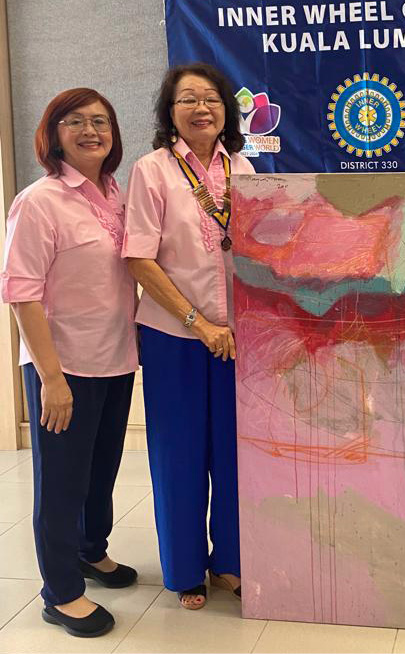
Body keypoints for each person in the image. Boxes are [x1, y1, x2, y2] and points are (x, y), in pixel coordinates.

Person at [1, 88, 139, 637]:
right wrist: (51, 379)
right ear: (53, 134)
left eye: (100, 121)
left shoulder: (117, 194)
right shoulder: (39, 201)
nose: (90, 131)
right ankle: (60, 592)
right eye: (75, 121)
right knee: (60, 480)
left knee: (101, 469)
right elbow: (22, 293)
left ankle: (89, 549)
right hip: (64, 365)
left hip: (115, 357)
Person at [122, 63, 255, 610]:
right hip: (175, 335)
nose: (202, 108)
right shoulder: (152, 170)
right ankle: (183, 570)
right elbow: (138, 257)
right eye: (188, 100)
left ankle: (230, 562)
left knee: (235, 453)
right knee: (179, 453)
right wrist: (197, 323)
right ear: (169, 112)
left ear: (226, 110)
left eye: (211, 99)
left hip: (238, 336)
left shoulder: (243, 168)